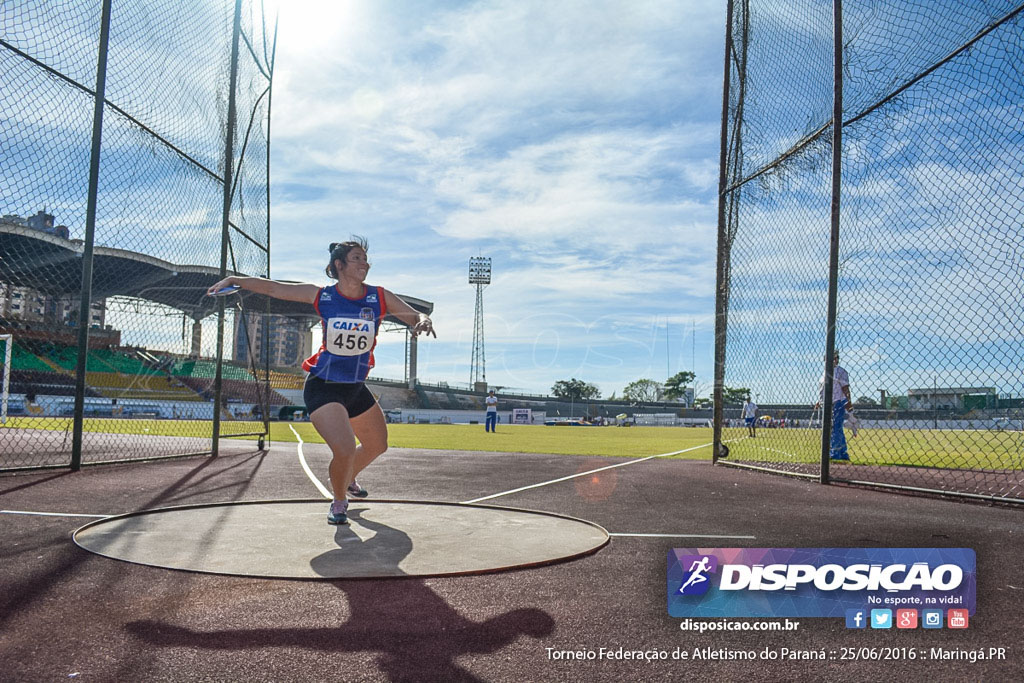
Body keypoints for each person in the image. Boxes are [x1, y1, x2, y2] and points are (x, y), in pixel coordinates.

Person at [207, 238, 435, 525]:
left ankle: (348, 476)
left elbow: (413, 315)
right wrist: (235, 279)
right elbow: (275, 287)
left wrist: (422, 321)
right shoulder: (322, 295)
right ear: (339, 265)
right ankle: (339, 501)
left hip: (355, 387)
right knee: (345, 448)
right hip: (324, 384)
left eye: (366, 259)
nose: (364, 263)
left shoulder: (379, 296)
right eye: (357, 258)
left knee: (378, 445)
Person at [815, 350, 853, 461]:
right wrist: (819, 401)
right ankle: (841, 452)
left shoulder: (840, 371)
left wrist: (848, 402)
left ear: (836, 359)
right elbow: (823, 390)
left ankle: (836, 452)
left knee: (835, 428)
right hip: (827, 404)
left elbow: (845, 388)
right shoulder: (825, 373)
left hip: (838, 402)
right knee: (833, 428)